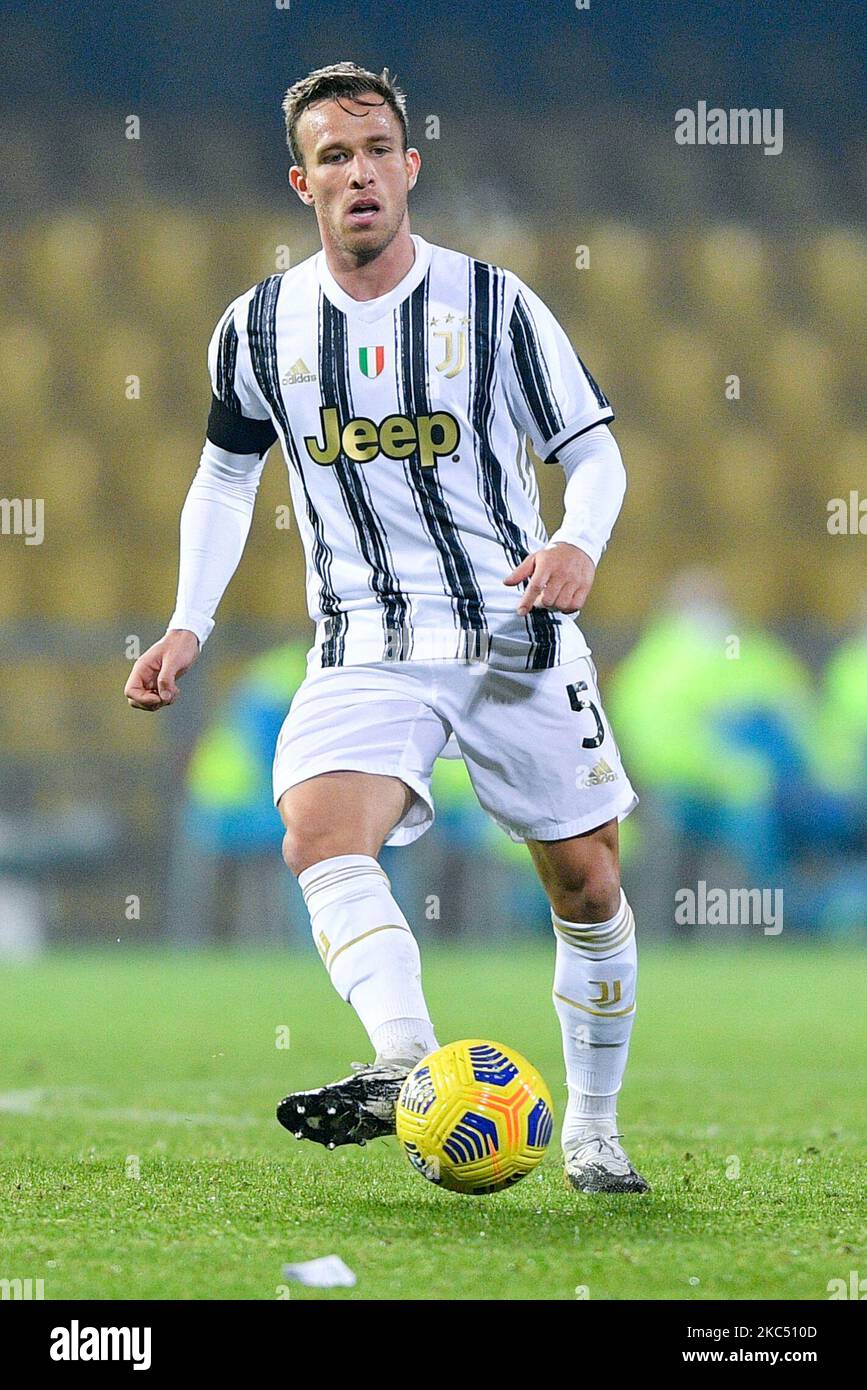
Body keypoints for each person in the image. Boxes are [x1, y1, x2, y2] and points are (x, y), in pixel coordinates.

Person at [124, 63, 645, 1194]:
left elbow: (593, 453)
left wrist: (577, 545)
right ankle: (405, 1057)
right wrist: (186, 623)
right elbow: (221, 480)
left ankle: (596, 1131)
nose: (358, 172)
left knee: (588, 885)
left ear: (409, 167)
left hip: (514, 627)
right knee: (316, 830)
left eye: (376, 151)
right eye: (334, 156)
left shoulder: (496, 305)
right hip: (368, 635)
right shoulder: (258, 327)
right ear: (300, 180)